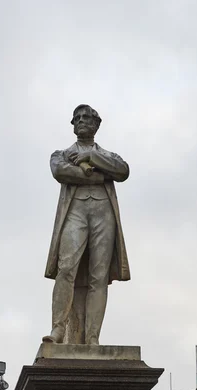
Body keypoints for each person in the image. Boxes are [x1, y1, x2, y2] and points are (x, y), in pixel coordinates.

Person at [43, 104, 130, 345]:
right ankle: (58, 330)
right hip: (76, 212)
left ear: (96, 124)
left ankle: (93, 338)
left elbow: (123, 171)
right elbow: (60, 171)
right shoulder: (60, 154)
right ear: (73, 125)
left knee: (98, 277)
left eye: (86, 117)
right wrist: (100, 176)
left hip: (104, 213)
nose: (81, 121)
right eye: (77, 118)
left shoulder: (108, 156)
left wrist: (92, 158)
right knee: (66, 267)